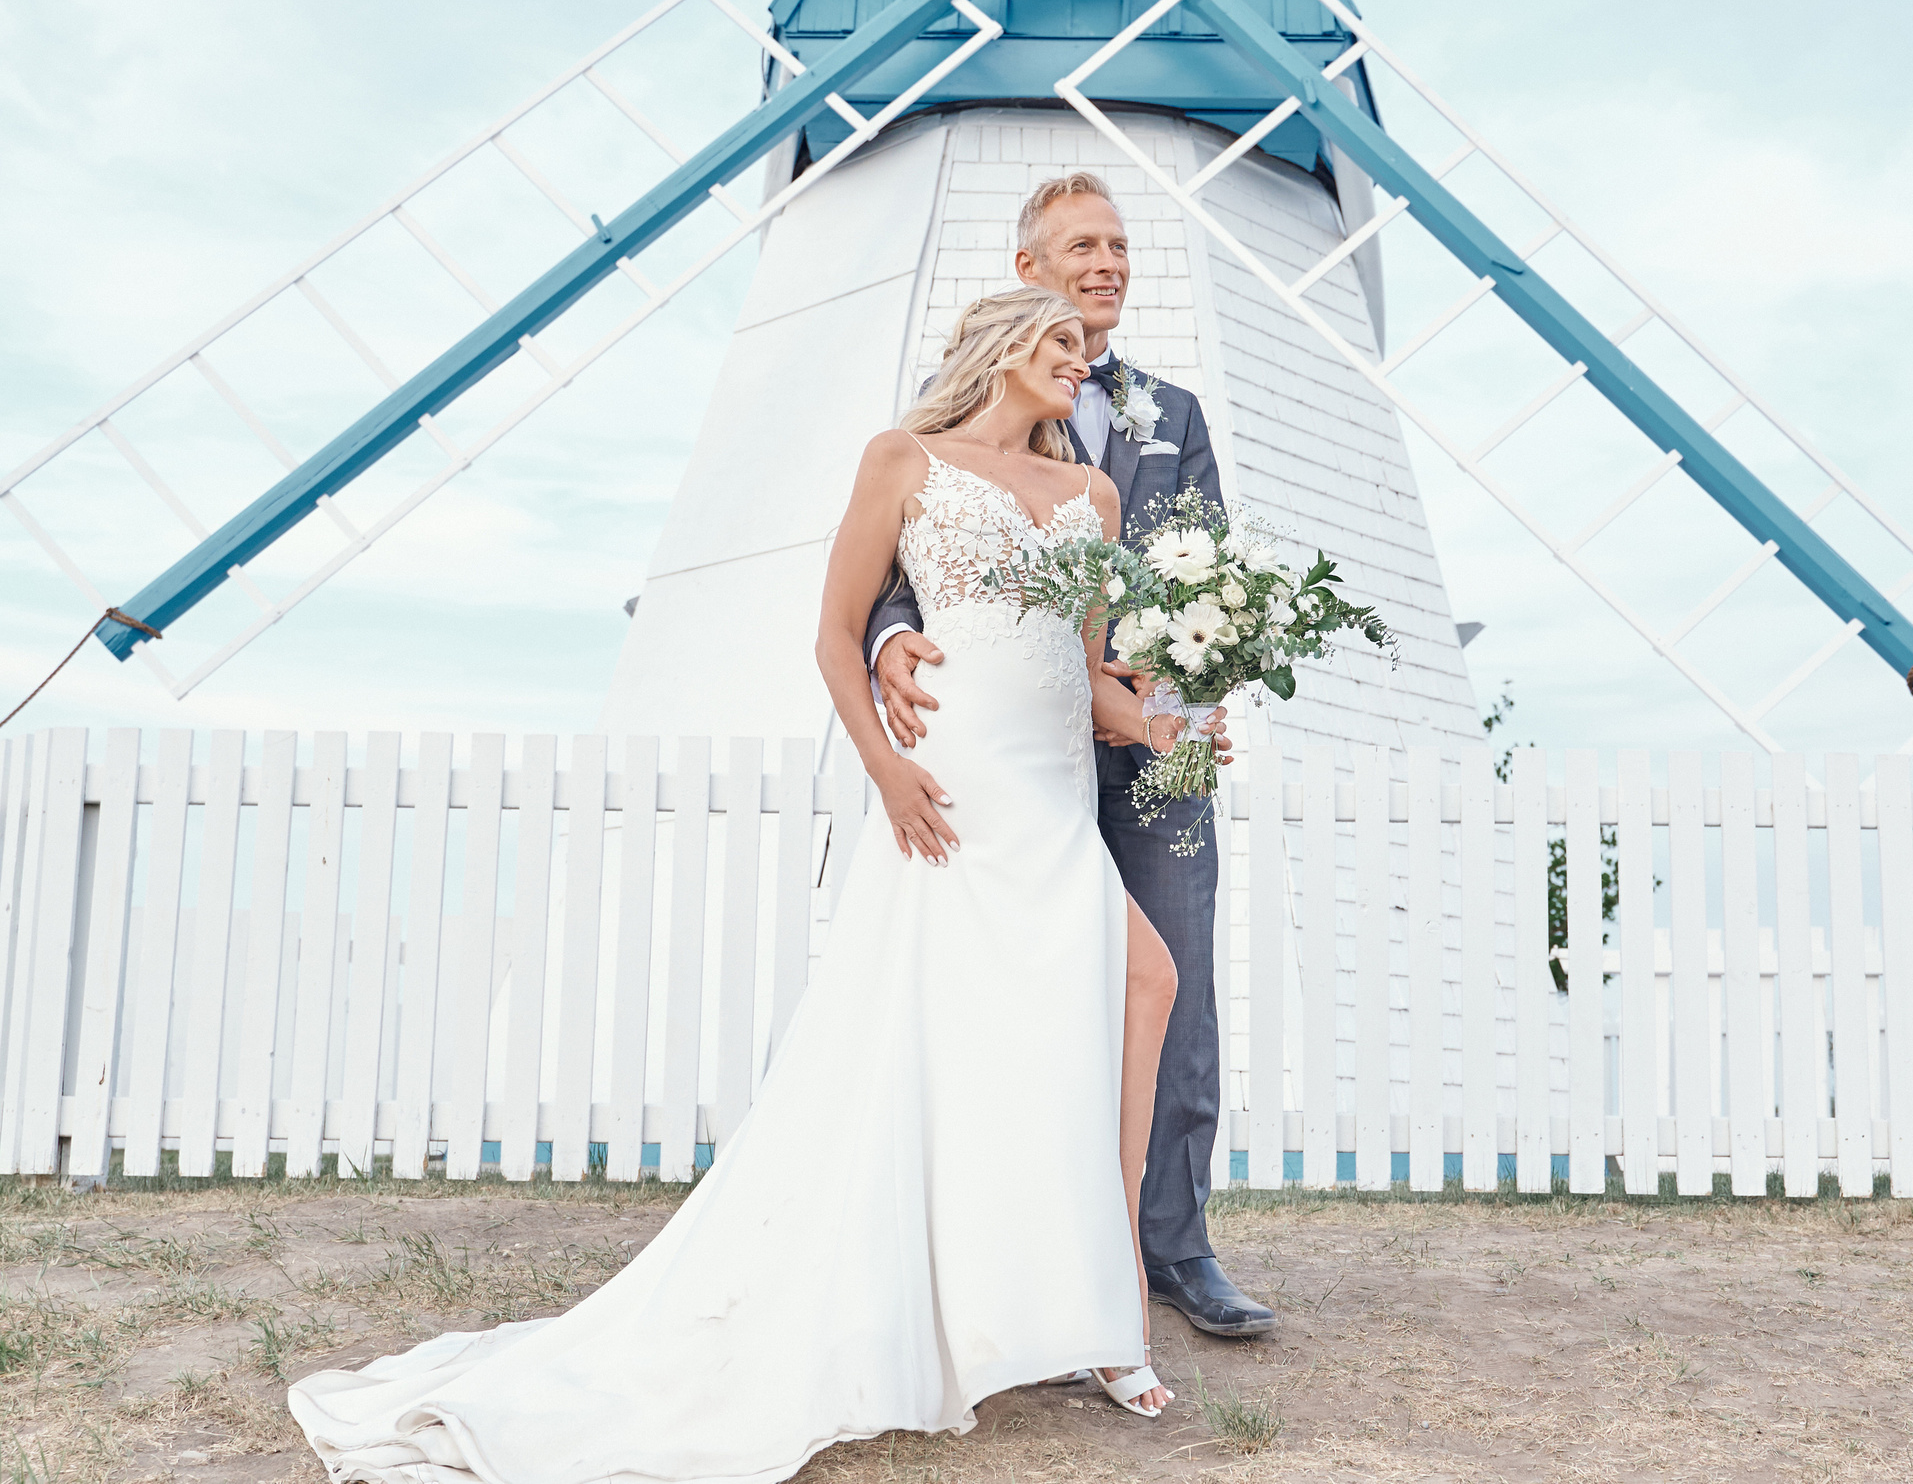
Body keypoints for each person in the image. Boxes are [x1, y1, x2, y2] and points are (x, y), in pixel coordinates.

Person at [290, 288, 1188, 1481]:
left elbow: (1088, 677)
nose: (1081, 360)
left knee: (1139, 983)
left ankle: (1098, 1294)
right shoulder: (903, 457)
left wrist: (1172, 727)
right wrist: (884, 769)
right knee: (943, 1041)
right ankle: (1020, 1308)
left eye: (1083, 345)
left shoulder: (1095, 496)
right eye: (1060, 341)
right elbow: (833, 629)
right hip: (955, 784)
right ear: (1001, 346)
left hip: (1053, 793)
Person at [867, 171, 1278, 1340]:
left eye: (1119, 245)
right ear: (1028, 268)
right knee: (1018, 992)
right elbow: (895, 576)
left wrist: (1186, 706)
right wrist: (892, 639)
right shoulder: (957, 418)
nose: (1106, 262)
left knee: (1172, 985)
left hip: (1151, 749)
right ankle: (1020, 1247)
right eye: (1081, 246)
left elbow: (1212, 579)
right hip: (1012, 753)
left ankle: (1172, 1247)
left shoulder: (1174, 415)